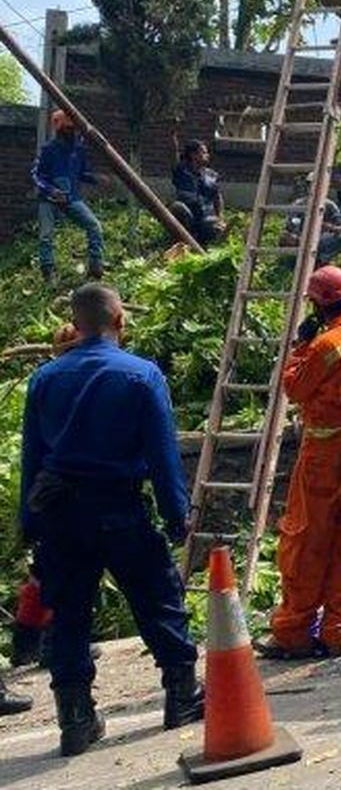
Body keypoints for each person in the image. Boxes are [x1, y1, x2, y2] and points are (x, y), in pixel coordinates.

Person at [19, 283, 204, 756]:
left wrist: (30, 522)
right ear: (120, 320)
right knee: (158, 600)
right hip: (120, 509)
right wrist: (177, 514)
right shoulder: (141, 376)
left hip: (61, 515)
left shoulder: (45, 378)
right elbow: (163, 456)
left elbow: (34, 458)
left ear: (75, 326)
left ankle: (75, 720)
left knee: (69, 617)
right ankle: (182, 696)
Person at [254, 266, 341, 660]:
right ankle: (336, 630)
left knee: (306, 539)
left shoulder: (324, 347)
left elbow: (295, 388)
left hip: (325, 453)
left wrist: (298, 348)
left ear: (316, 303)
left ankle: (293, 631)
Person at [31, 110, 106, 283]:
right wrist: (50, 190)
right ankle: (48, 270)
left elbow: (82, 173)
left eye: (74, 128)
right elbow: (37, 175)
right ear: (60, 129)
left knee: (94, 225)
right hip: (48, 199)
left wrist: (97, 179)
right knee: (46, 235)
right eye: (68, 128)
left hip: (71, 197)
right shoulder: (48, 149)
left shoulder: (79, 150)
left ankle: (96, 266)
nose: (72, 131)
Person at [281, 176, 341, 264]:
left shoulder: (329, 205)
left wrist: (327, 226)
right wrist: (294, 237)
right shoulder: (298, 205)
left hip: (322, 240)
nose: (314, 188)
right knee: (285, 239)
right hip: (301, 240)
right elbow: (289, 227)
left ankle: (322, 260)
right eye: (311, 185)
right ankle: (297, 261)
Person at [171, 140, 227, 246]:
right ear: (193, 155)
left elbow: (217, 197)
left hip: (207, 216)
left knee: (215, 226)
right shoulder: (182, 172)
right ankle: (181, 241)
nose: (207, 155)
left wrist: (220, 217)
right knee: (177, 207)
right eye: (204, 152)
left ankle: (203, 243)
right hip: (189, 215)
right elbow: (173, 155)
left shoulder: (211, 175)